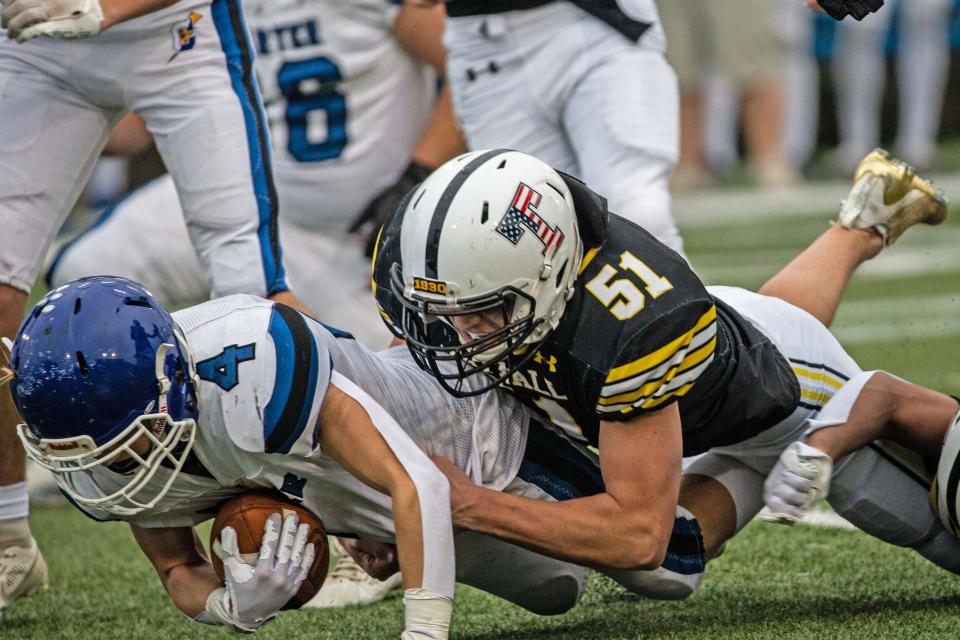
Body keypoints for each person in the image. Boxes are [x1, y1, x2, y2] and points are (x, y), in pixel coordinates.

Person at [372, 147, 959, 590]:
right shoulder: (435, 269)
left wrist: (470, 505)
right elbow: (418, 352)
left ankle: (862, 223)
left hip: (781, 399)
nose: (460, 334)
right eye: (443, 313)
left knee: (665, 567)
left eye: (483, 312)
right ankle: (861, 223)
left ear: (548, 276)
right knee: (769, 332)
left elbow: (638, 538)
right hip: (723, 380)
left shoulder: (633, 330)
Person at [0, 275, 711, 636]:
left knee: (668, 567)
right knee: (557, 595)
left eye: (131, 446)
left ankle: (771, 420)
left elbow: (423, 486)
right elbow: (175, 568)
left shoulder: (256, 368)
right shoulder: (107, 435)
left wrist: (421, 630)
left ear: (172, 387)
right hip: (369, 500)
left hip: (468, 439)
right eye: (105, 454)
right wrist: (226, 606)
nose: (117, 470)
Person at [0, 0, 308, 619]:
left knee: (251, 292)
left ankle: (338, 497)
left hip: (173, 27)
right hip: (40, 44)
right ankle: (7, 538)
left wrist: (106, 6)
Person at [45, 0, 464, 349]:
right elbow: (136, 126)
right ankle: (141, 423)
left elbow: (466, 68)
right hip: (243, 205)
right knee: (85, 279)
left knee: (389, 385)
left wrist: (418, 174)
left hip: (355, 244)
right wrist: (50, 99)